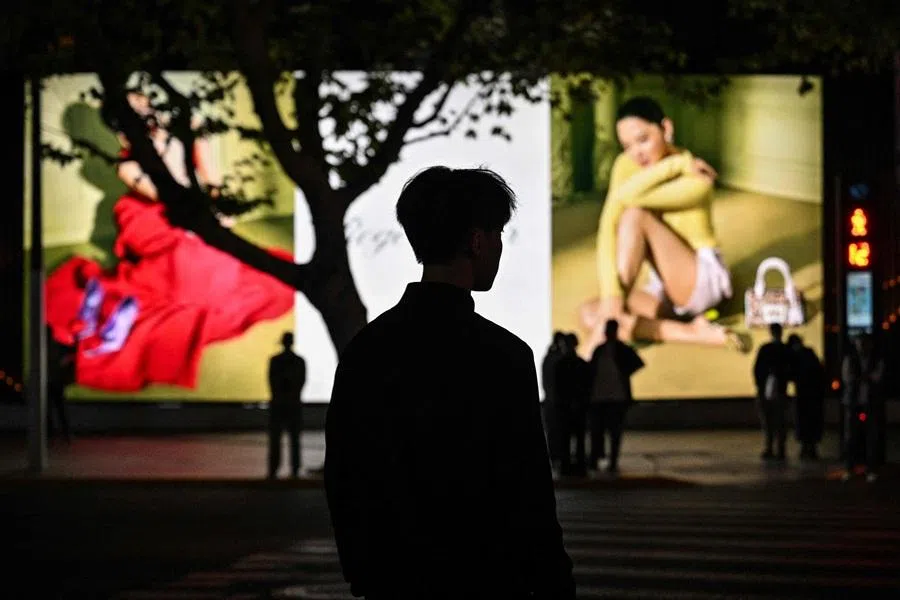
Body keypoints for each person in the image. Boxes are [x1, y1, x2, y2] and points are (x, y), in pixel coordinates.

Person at [324, 166, 574, 600]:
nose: (499, 248)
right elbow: (528, 496)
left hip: (393, 583)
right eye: (498, 235)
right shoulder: (505, 356)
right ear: (476, 241)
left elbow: (345, 475)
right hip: (486, 580)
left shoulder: (366, 349)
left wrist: (365, 571)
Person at [44, 90, 295, 392]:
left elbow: (211, 180)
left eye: (146, 106)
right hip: (160, 218)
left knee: (253, 278)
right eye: (134, 114)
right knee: (184, 266)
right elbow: (172, 197)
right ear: (122, 131)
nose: (148, 114)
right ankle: (87, 347)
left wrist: (218, 213)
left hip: (195, 215)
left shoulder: (186, 130)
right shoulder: (128, 166)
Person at [578, 96, 747, 355]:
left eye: (643, 139)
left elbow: (626, 199)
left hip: (701, 279)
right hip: (663, 285)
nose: (636, 153)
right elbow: (607, 228)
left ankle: (608, 325)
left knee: (635, 215)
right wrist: (612, 296)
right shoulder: (626, 164)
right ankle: (694, 333)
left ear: (666, 129)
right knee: (591, 312)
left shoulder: (696, 175)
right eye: (627, 146)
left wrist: (678, 164)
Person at [587, 319, 644, 475]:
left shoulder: (620, 350)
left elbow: (638, 363)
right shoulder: (601, 350)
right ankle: (597, 459)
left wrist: (623, 373)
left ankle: (611, 461)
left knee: (613, 432)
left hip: (615, 398)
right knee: (598, 431)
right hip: (600, 398)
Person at [841, 333, 884, 482]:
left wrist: (861, 378)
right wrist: (865, 377)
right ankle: (849, 468)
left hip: (869, 403)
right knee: (850, 437)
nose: (862, 347)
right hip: (853, 403)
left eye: (864, 343)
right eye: (860, 343)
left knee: (871, 437)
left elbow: (877, 377)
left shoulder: (875, 359)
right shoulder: (851, 359)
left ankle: (870, 468)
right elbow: (847, 378)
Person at [268, 332, 306, 479]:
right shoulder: (299, 361)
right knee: (294, 441)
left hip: (280, 405)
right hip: (292, 405)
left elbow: (272, 383)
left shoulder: (275, 361)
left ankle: (273, 470)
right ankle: (294, 470)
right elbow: (301, 382)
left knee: (276, 440)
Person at [554, 332, 591, 475]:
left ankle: (567, 466)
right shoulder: (581, 364)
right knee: (578, 439)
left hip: (566, 408)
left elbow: (558, 388)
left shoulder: (560, 365)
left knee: (566, 438)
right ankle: (579, 466)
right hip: (577, 407)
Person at [753, 323, 791, 461]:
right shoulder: (785, 350)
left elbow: (757, 370)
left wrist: (760, 386)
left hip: (767, 393)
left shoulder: (766, 349)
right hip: (780, 391)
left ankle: (771, 447)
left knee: (769, 422)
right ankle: (780, 448)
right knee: (779, 421)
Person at [786, 334, 825, 461]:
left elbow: (791, 374)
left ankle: (805, 448)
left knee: (803, 421)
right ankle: (811, 448)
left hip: (803, 394)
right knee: (812, 421)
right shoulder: (810, 354)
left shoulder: (795, 357)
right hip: (813, 395)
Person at [541, 331, 567, 468]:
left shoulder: (549, 358)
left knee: (553, 431)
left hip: (551, 400)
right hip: (557, 401)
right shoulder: (558, 359)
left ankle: (555, 455)